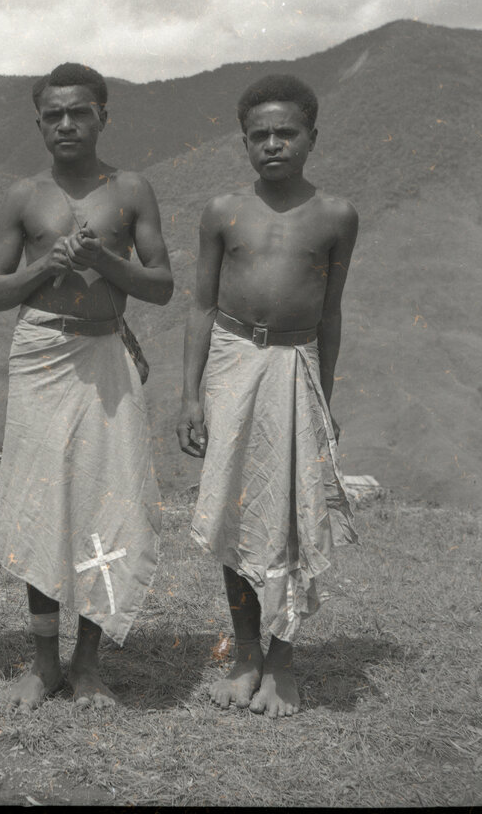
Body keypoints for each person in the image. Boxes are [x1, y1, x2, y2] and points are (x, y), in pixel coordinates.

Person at [0, 62, 173, 711]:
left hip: (104, 355)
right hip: (41, 354)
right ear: (39, 123)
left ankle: (87, 663)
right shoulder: (23, 196)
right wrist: (46, 265)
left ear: (102, 116)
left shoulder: (131, 191)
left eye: (79, 112)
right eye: (54, 115)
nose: (66, 124)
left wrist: (102, 259)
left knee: (104, 502)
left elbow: (161, 286)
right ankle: (43, 664)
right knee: (39, 505)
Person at [176, 73, 359, 718]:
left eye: (286, 132)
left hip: (296, 363)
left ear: (312, 137)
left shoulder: (336, 216)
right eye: (260, 135)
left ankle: (282, 663)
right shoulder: (222, 211)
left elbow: (330, 313)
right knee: (236, 508)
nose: (273, 144)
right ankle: (247, 653)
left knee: (291, 515)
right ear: (244, 143)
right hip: (232, 360)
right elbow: (201, 304)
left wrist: (323, 399)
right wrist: (190, 395)